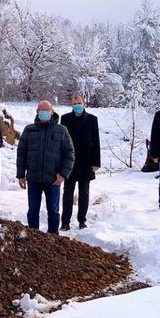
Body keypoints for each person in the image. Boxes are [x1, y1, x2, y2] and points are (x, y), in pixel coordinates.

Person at [16, 100, 74, 234]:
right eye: (41, 110)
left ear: (52, 111)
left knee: (53, 211)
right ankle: (33, 237)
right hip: (33, 178)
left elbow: (69, 154)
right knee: (33, 210)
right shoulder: (29, 130)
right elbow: (22, 153)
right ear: (37, 112)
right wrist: (20, 175)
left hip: (53, 179)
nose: (44, 113)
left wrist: (63, 174)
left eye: (46, 110)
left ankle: (53, 237)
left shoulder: (61, 130)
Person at [60, 94, 100, 230]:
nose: (77, 105)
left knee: (84, 193)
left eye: (80, 103)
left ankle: (82, 220)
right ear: (71, 104)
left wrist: (96, 162)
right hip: (69, 161)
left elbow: (96, 142)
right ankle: (65, 222)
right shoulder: (65, 119)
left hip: (86, 161)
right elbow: (62, 142)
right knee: (67, 192)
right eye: (75, 103)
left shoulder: (92, 120)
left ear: (84, 104)